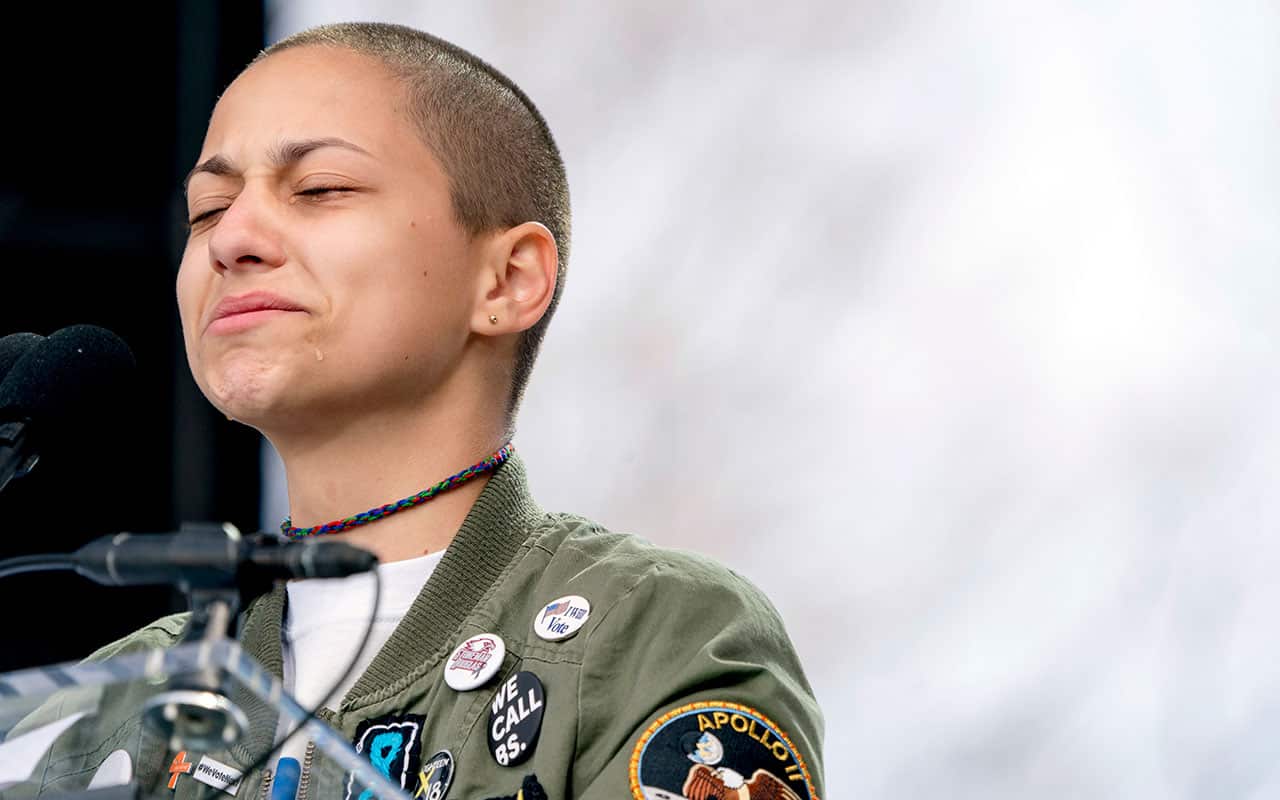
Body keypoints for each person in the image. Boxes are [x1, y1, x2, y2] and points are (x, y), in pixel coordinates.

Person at [22, 22, 824, 800]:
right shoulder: (110, 705)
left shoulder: (650, 636)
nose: (233, 238)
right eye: (206, 209)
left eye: (319, 189)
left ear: (507, 280)